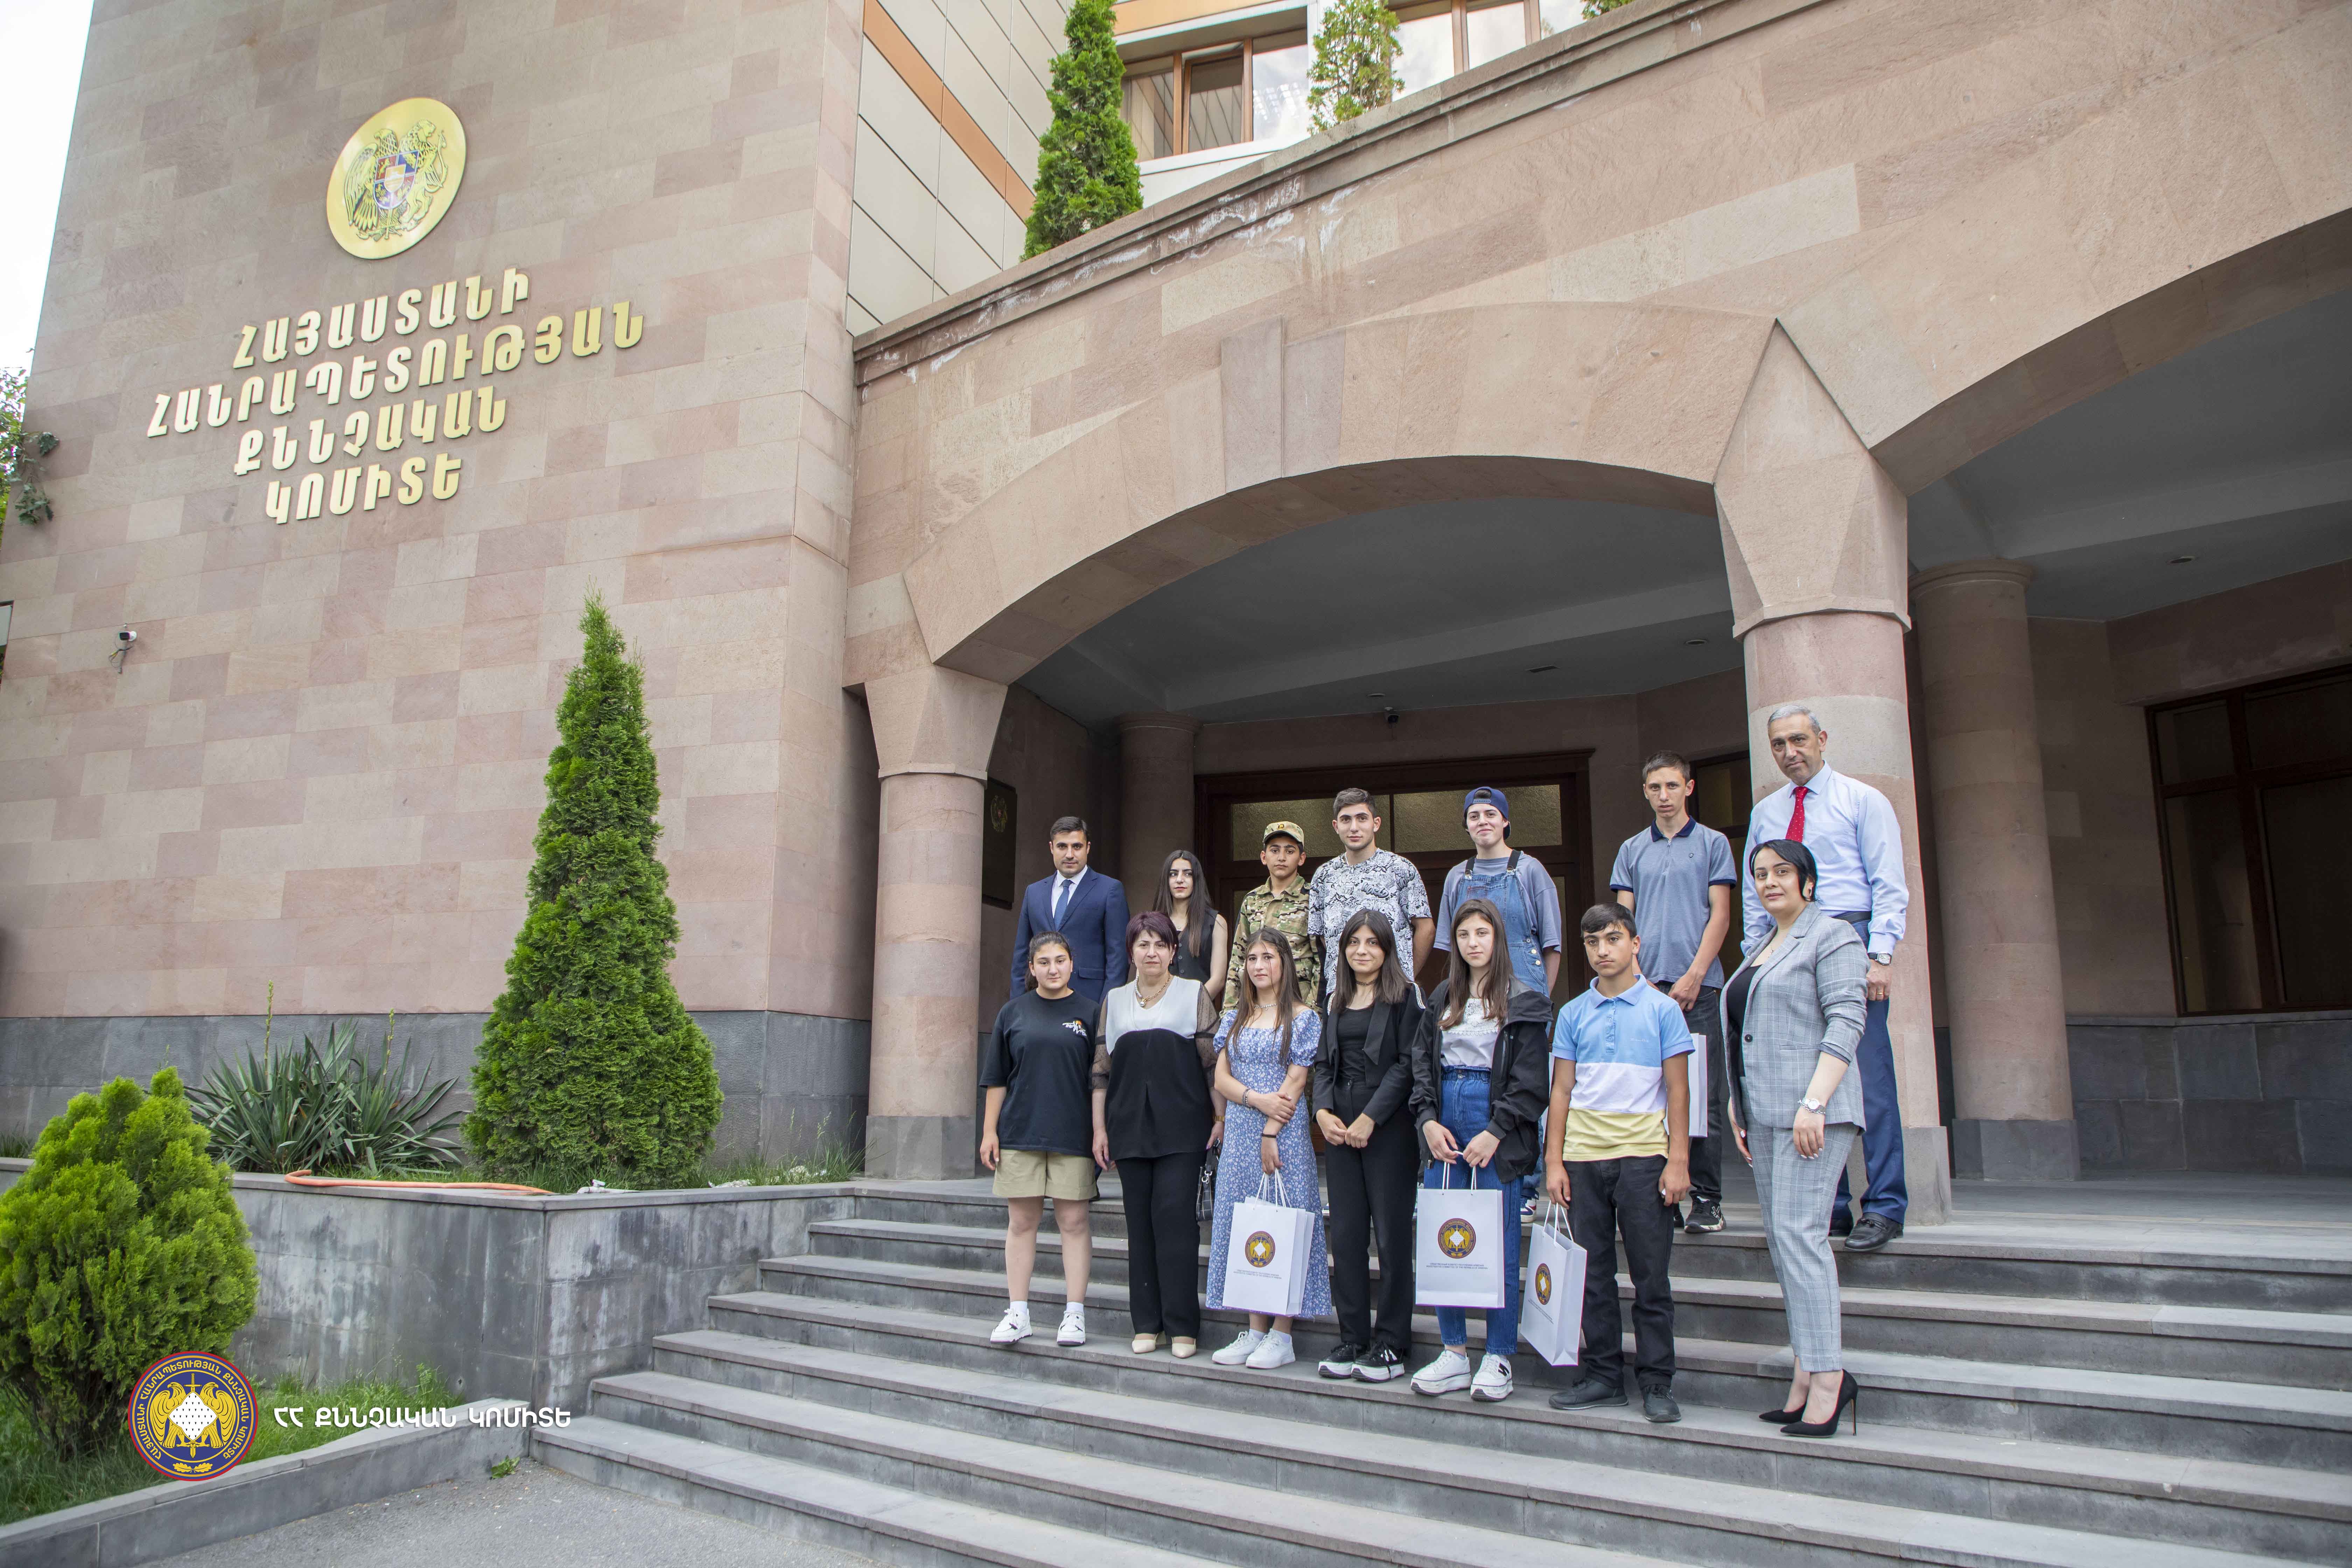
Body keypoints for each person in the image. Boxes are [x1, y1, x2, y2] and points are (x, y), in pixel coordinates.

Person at [1743, 705, 1910, 1251]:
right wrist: (1756, 956)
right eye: (1778, 745)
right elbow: (1755, 892)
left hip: (1848, 938)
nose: (1789, 752)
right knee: (1803, 1077)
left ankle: (1884, 1205)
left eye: (1798, 740)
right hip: (1787, 944)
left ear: (1822, 739)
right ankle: (1829, 1207)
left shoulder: (1862, 800)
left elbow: (1888, 882)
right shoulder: (1767, 812)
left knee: (1869, 1077)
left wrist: (1880, 955)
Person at [1725, 838, 1868, 1437]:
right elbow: (1750, 1030)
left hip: (1814, 1114)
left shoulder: (1833, 936)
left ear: (1808, 881)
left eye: (1782, 872)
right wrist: (1738, 1102)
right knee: (1784, 1244)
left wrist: (1815, 1102)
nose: (1770, 882)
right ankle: (1807, 1371)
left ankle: (1830, 1376)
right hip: (1765, 1114)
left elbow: (1847, 1020)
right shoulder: (1762, 944)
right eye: (1760, 874)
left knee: (1801, 1238)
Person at [1544, 904, 1693, 1423]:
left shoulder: (1663, 1010)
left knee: (1651, 1278)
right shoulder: (1573, 1013)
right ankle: (1604, 1376)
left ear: (1635, 943)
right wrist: (1554, 1161)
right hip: (1584, 1159)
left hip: (1644, 1158)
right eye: (1592, 942)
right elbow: (1561, 1091)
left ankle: (1657, 1381)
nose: (1602, 950)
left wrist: (1679, 1161)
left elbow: (1679, 1090)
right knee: (1593, 1276)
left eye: (1612, 938)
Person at [1405, 898, 1553, 1403]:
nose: (1473, 943)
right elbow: (1421, 1063)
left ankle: (1498, 1354)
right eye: (1465, 934)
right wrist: (1427, 1120)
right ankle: (1453, 1351)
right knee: (1445, 1235)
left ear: (1498, 939)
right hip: (1445, 1114)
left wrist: (1497, 1130)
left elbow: (1532, 1080)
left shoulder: (1524, 1000)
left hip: (1496, 1119)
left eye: (1482, 933)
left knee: (1497, 1240)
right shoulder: (1443, 995)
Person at [1609, 752, 1736, 1234]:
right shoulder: (1631, 849)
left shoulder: (1713, 843)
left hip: (1699, 989)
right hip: (1646, 989)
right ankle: (1663, 1195)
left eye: (1672, 786)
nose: (1664, 795)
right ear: (1645, 792)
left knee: (1702, 1097)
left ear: (1689, 788)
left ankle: (1707, 1198)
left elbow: (1721, 914)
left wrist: (1695, 975)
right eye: (1655, 788)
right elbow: (1622, 921)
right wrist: (1637, 976)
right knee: (1649, 1093)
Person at [1092, 911, 1221, 1357]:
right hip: (1128, 1126)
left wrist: (1220, 1117)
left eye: (1160, 944)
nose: (1152, 952)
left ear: (1173, 951)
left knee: (1175, 1220)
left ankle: (1182, 1325)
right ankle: (1148, 1323)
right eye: (1143, 944)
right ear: (1131, 952)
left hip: (1183, 1126)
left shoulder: (1193, 993)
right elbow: (1101, 1071)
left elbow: (1211, 1063)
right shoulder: (1114, 1000)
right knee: (1140, 1224)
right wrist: (1099, 1129)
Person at [1207, 931, 1330, 1370]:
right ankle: (1255, 1329)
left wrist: (1271, 1131)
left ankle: (1282, 1333)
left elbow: (1296, 1081)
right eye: (1252, 958)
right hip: (1242, 1129)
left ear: (1285, 964)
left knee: (1284, 1220)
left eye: (1269, 957)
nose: (1259, 966)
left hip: (1283, 1133)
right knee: (1247, 1223)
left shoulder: (1304, 1017)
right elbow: (1221, 1079)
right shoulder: (1234, 1017)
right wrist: (1256, 1100)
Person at [1312, 909, 1423, 1382]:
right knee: (1348, 1237)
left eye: (1372, 943)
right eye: (1354, 942)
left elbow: (1407, 1065)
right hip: (1339, 1129)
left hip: (1388, 1130)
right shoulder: (1335, 998)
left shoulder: (1405, 997)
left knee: (1392, 1238)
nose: (1362, 950)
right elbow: (1322, 1065)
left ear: (1387, 949)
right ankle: (1353, 1338)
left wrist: (1370, 1118)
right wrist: (1322, 1112)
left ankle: (1392, 1343)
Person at [980, 932, 1100, 1349]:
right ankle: (1018, 1312)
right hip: (1020, 1133)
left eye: (1060, 960)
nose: (1053, 968)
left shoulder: (1091, 1013)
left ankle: (1075, 1314)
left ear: (1072, 964)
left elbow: (1100, 1082)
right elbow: (997, 1078)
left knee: (1074, 1223)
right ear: (1031, 968)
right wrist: (989, 1131)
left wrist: (1101, 1131)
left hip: (1073, 1135)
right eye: (1044, 962)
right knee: (1021, 1223)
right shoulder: (1013, 1012)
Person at [1433, 786, 1564, 993]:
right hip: (1471, 992)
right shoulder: (1456, 876)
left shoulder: (1531, 870)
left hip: (1526, 989)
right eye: (1474, 816)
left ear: (1505, 821)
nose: (1482, 821)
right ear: (1467, 826)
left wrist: (1542, 1000)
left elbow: (1552, 944)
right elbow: (1452, 948)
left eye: (1491, 814)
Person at [1307, 788, 1433, 998]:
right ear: (1336, 826)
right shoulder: (1324, 876)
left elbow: (1426, 929)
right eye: (1346, 820)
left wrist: (1405, 978)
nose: (1354, 827)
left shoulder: (1400, 869)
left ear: (1376, 823)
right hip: (1342, 995)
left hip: (1391, 994)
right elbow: (1323, 937)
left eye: (1362, 818)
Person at [1011, 817, 1130, 1003]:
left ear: (1088, 848)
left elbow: (1118, 958)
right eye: (1062, 847)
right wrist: (1017, 1008)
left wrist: (1106, 1009)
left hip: (1089, 1000)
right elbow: (1021, 955)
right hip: (1038, 1001)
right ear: (1052, 848)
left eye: (1077, 847)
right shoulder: (1033, 892)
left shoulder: (1110, 890)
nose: (1070, 854)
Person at [1226, 821, 1318, 1008]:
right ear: (1264, 857)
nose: (1281, 858)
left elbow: (1321, 961)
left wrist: (1311, 1011)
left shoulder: (1313, 898)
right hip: (1256, 1005)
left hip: (1297, 1004)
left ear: (1302, 858)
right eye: (1275, 851)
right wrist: (1230, 1010)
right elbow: (1238, 958)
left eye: (1290, 851)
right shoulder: (1252, 900)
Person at [1155, 848, 1230, 997]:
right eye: (1173, 874)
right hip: (1159, 1007)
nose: (1180, 880)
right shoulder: (1153, 924)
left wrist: (1193, 1004)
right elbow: (1143, 976)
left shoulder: (1216, 922)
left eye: (1188, 874)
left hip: (1200, 1006)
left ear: (1197, 880)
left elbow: (1218, 980)